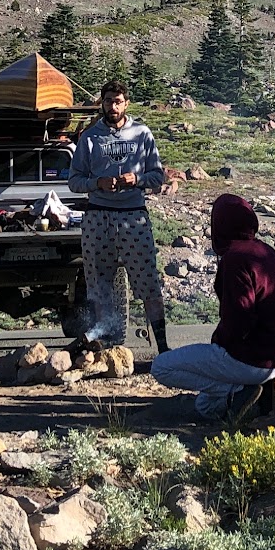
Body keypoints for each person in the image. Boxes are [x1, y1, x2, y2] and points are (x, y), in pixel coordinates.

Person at [151, 192, 275, 422]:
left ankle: (240, 390)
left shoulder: (234, 258)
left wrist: (222, 340)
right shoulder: (269, 253)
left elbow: (240, 315)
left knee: (161, 367)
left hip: (245, 357)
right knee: (205, 406)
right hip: (273, 360)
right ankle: (252, 393)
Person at [68, 79, 170, 353]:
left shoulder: (142, 133)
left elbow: (158, 176)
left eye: (118, 102)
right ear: (101, 103)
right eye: (108, 101)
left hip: (133, 216)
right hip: (98, 217)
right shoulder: (90, 138)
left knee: (148, 281)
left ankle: (162, 346)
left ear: (126, 104)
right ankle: (102, 344)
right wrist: (96, 183)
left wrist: (137, 179)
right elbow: (74, 181)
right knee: (98, 284)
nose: (112, 107)